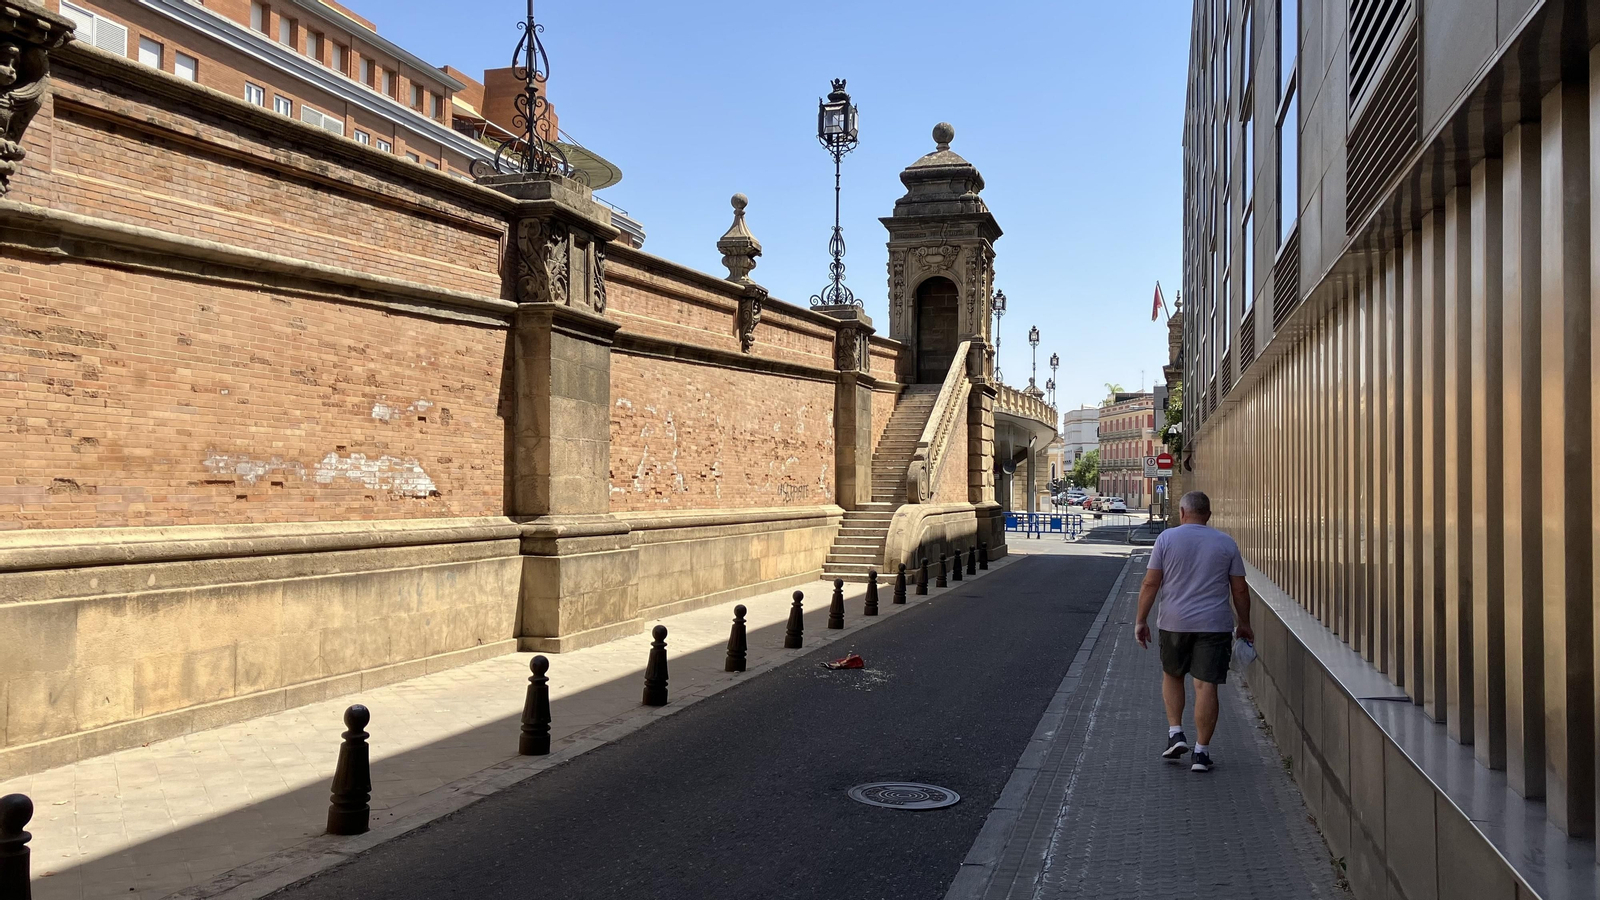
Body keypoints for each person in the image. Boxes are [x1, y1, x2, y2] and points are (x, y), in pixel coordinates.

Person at [1133, 490, 1252, 773]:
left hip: (1174, 623)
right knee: (1206, 685)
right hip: (1214, 624)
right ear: (1208, 515)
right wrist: (1244, 623)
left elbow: (1151, 584)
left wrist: (1141, 620)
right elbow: (1240, 588)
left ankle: (1176, 733)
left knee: (1173, 675)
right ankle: (1201, 752)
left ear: (1183, 512)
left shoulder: (1166, 539)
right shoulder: (1226, 543)